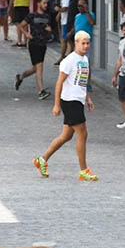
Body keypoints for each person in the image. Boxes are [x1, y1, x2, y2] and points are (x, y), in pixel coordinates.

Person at [34, 30, 98, 181]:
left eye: (88, 43)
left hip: (79, 99)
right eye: (82, 43)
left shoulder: (85, 60)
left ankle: (41, 160)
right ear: (76, 43)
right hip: (70, 100)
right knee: (83, 133)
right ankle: (84, 170)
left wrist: (88, 98)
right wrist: (56, 105)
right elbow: (59, 83)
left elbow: (83, 82)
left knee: (66, 136)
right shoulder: (69, 60)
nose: (86, 46)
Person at [16, 0, 54, 100]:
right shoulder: (32, 16)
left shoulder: (47, 16)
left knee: (35, 68)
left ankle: (21, 77)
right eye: (44, 3)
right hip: (34, 44)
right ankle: (41, 91)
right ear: (38, 3)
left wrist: (49, 31)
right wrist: (26, 33)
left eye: (47, 3)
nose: (46, 5)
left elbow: (49, 30)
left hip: (43, 44)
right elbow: (20, 25)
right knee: (40, 66)